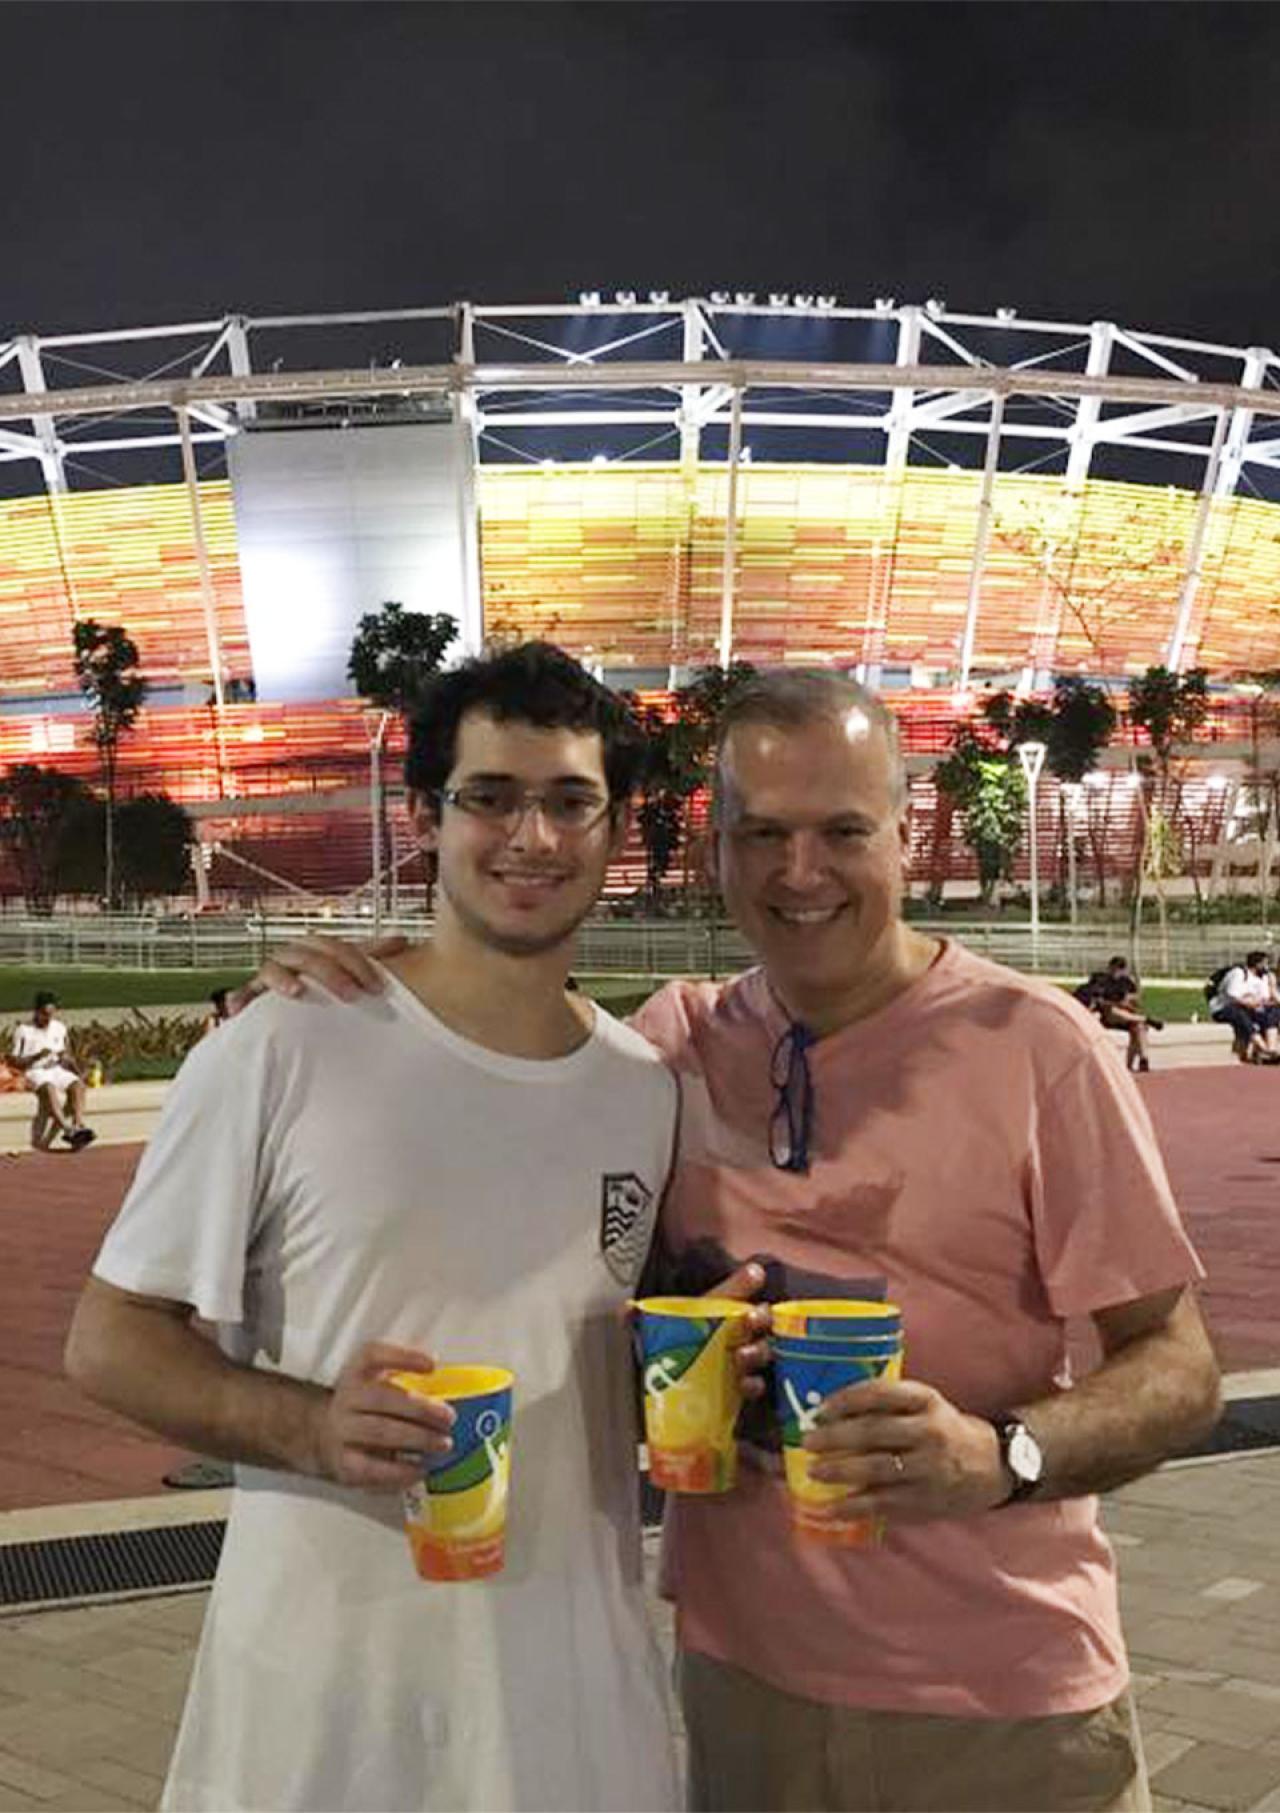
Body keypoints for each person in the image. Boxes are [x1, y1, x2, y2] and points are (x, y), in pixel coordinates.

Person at [261, 668, 1221, 1813]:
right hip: (740, 1691)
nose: (798, 872)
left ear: (903, 834)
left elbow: (1176, 1364)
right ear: (715, 844)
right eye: (761, 832)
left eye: (839, 831)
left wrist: (997, 1454)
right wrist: (370, 991)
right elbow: (499, 1108)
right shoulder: (669, 1049)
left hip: (998, 1700)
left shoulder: (1034, 1047)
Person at [65, 643, 764, 1813]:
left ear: (616, 824)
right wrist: (309, 1424)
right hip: (326, 1713)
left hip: (572, 1706)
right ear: (427, 816)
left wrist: (693, 1376)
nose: (530, 838)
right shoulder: (284, 1045)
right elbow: (109, 1338)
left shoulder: (644, 1088)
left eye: (567, 801)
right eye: (489, 798)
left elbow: (576, 1341)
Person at [8, 991, 96, 1150]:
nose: (48, 1018)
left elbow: (67, 1054)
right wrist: (36, 1056)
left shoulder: (59, 1028)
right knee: (48, 1088)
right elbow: (15, 1061)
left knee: (78, 1086)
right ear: (37, 1011)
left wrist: (75, 1069)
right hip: (35, 1071)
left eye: (51, 1014)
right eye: (45, 1014)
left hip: (56, 1069)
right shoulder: (23, 1030)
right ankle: (67, 1129)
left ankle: (78, 1125)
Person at [1076, 955, 1164, 1072]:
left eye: (1120, 969)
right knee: (1112, 1010)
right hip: (1106, 1015)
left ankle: (1142, 1060)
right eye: (1115, 968)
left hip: (1125, 1016)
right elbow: (1097, 999)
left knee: (1139, 1027)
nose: (1117, 971)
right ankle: (1145, 1019)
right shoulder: (1102, 980)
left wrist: (1130, 999)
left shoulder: (1127, 983)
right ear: (1110, 967)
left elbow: (1135, 1002)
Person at [1208, 950, 1280, 1064]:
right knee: (1241, 1014)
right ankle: (1264, 1049)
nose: (1267, 967)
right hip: (1225, 1008)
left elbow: (1264, 998)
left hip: (1249, 1008)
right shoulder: (1239, 973)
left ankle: (1271, 1050)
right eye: (1265, 964)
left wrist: (1263, 1001)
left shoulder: (1264, 978)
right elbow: (1233, 997)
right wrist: (1250, 1002)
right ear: (1257, 964)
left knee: (1272, 1012)